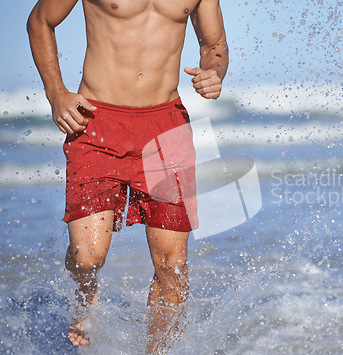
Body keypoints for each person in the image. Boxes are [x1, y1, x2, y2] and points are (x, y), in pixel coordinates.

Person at [27, 0, 228, 351]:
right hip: (96, 121)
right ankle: (85, 289)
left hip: (166, 128)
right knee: (86, 255)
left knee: (172, 264)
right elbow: (41, 20)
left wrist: (215, 71)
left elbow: (214, 46)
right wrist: (56, 93)